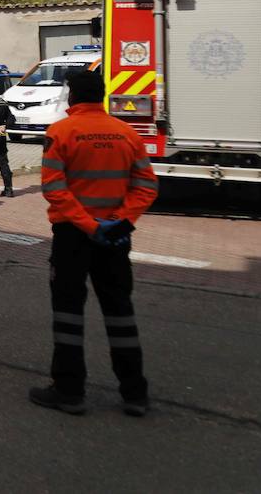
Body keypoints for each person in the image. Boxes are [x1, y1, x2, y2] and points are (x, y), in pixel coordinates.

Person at [30, 69, 158, 416]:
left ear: (72, 96)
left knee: (69, 313)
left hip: (74, 236)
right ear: (102, 96)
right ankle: (135, 394)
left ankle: (70, 392)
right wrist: (120, 222)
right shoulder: (126, 133)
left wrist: (88, 225)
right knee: (120, 312)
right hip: (115, 239)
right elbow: (147, 185)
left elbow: (54, 189)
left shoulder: (61, 132)